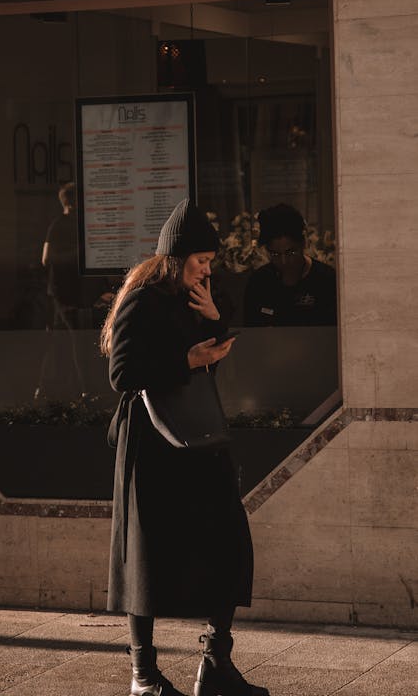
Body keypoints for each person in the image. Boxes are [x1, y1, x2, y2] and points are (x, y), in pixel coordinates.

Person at [101, 199, 269, 696]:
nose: (207, 270)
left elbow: (204, 362)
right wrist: (187, 359)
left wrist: (216, 323)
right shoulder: (141, 299)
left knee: (230, 542)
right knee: (147, 557)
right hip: (151, 445)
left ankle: (216, 663)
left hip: (197, 438)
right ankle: (144, 676)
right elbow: (122, 375)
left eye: (211, 263)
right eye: (201, 261)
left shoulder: (191, 297)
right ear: (174, 258)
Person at [244, 203, 336, 327]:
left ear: (303, 244)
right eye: (275, 254)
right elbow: (251, 332)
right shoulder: (259, 282)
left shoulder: (326, 280)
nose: (284, 261)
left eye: (291, 252)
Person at [35, 181, 84, 400]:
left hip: (66, 292)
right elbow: (47, 259)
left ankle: (46, 390)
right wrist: (79, 254)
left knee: (59, 341)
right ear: (72, 203)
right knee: (77, 341)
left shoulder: (74, 224)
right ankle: (83, 390)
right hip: (63, 292)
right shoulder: (60, 225)